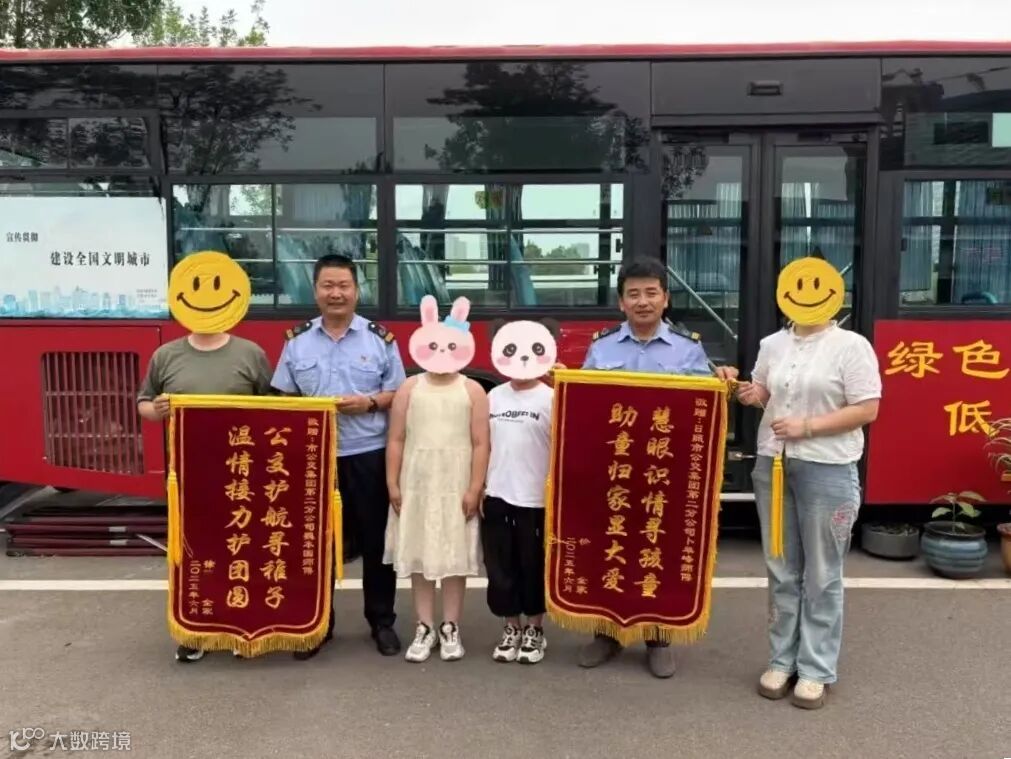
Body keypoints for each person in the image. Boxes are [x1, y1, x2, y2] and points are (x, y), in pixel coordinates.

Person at [578, 256, 738, 679]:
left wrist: (720, 380)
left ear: (665, 299)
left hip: (661, 474)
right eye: (633, 294)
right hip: (613, 473)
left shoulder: (688, 349)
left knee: (657, 551)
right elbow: (585, 407)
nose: (643, 301)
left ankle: (658, 636)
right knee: (609, 549)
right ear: (621, 302)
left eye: (651, 293)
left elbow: (701, 412)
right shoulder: (601, 347)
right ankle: (607, 633)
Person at [737, 318, 880, 709]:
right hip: (773, 464)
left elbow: (867, 409)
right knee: (781, 567)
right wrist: (750, 393)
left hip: (829, 466)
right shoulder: (772, 343)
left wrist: (808, 427)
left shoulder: (851, 345)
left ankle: (816, 668)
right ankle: (781, 660)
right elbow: (764, 392)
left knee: (822, 572)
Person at [271, 253, 406, 659]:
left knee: (376, 541)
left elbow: (399, 394)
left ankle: (381, 621)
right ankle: (317, 623)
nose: (336, 293)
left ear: (356, 291)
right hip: (314, 458)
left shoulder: (380, 339)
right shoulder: (296, 341)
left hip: (368, 453)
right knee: (313, 542)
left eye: (343, 285)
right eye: (328, 285)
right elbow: (282, 397)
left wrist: (368, 403)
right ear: (315, 291)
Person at [137, 327, 273, 663]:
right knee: (194, 553)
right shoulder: (166, 355)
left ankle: (242, 627)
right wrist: (157, 410)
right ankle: (196, 630)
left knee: (242, 548)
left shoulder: (250, 353)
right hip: (189, 473)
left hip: (241, 472)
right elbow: (144, 403)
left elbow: (272, 405)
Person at [383, 295, 490, 663]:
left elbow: (481, 442)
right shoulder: (409, 388)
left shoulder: (472, 389)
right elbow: (397, 438)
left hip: (456, 483)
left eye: (450, 346)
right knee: (420, 555)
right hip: (417, 482)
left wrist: (475, 487)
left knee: (455, 557)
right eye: (435, 345)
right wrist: (392, 482)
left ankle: (450, 626)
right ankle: (424, 626)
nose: (442, 352)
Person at [481, 319, 558, 664]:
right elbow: (482, 445)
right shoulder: (493, 396)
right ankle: (511, 626)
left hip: (536, 500)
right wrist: (479, 487)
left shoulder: (553, 397)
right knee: (500, 568)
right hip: (497, 495)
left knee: (533, 567)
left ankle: (535, 629)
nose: (522, 357)